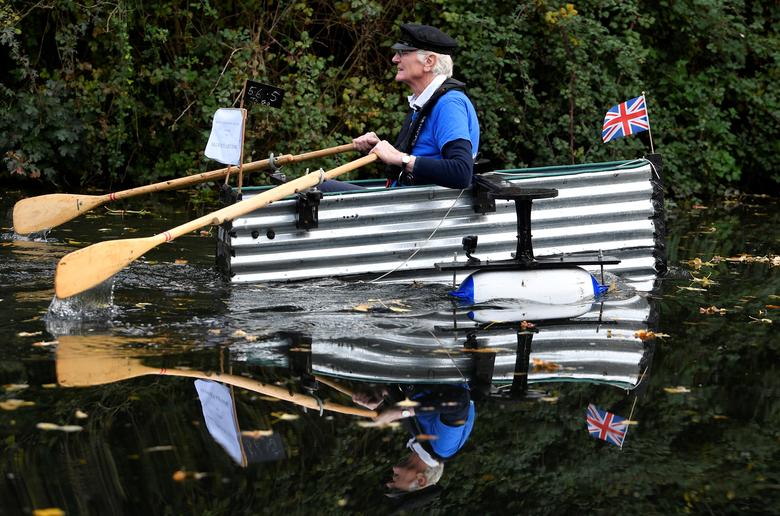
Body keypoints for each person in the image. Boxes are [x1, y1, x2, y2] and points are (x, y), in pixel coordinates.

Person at [319, 23, 480, 192]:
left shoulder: (449, 104)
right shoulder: (425, 100)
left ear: (429, 61)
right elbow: (423, 154)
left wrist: (399, 158)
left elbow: (461, 172)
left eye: (403, 53)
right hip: (404, 200)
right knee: (310, 186)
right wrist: (380, 148)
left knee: (314, 188)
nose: (394, 59)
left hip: (417, 209)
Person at [352, 383, 476, 493]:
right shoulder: (442, 448)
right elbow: (460, 400)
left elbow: (410, 399)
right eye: (397, 488)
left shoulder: (419, 441)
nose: (390, 483)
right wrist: (402, 411)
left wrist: (381, 393)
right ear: (421, 480)